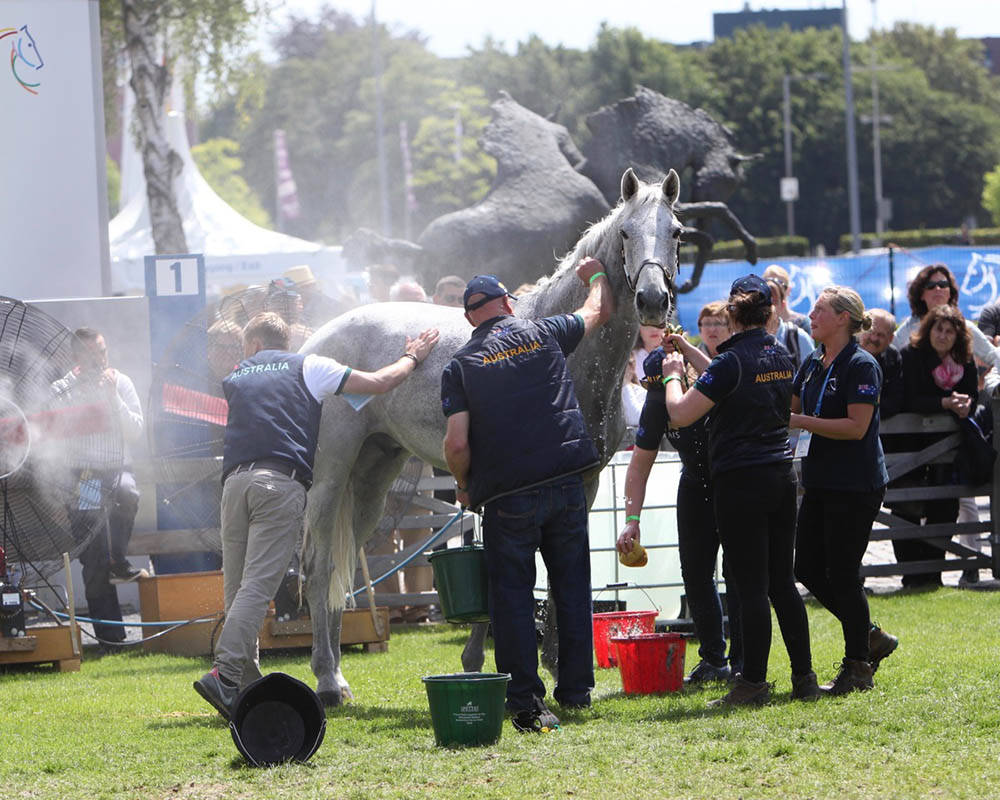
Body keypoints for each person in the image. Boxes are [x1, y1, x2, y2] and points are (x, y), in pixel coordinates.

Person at [194, 311, 439, 719]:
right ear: (285, 341)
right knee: (258, 587)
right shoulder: (309, 365)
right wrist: (413, 357)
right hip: (279, 484)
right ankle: (225, 672)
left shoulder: (238, 372)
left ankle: (244, 686)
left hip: (233, 484)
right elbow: (379, 383)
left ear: (252, 345)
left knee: (236, 587)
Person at [441, 262, 612, 732]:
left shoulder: (461, 366)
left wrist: (462, 483)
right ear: (508, 304)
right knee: (572, 587)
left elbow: (456, 445)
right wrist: (596, 277)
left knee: (512, 598)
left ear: (471, 317)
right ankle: (576, 690)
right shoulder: (545, 332)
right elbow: (597, 312)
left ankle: (524, 698)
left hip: (508, 496)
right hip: (565, 483)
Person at [659, 274, 817, 706]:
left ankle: (752, 683)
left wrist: (673, 374)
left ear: (731, 315)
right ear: (769, 313)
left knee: (749, 587)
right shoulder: (781, 354)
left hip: (740, 481)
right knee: (782, 583)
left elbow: (680, 415)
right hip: (781, 477)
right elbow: (730, 381)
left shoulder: (732, 362)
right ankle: (804, 678)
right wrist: (691, 352)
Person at [616, 334, 743, 684]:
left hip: (731, 481)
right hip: (695, 483)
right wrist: (631, 520)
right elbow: (638, 466)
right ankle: (713, 659)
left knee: (737, 573)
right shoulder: (657, 402)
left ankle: (744, 661)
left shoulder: (707, 384)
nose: (657, 392)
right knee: (696, 573)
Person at [789, 287, 897, 695]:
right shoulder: (814, 361)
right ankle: (869, 634)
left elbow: (856, 427)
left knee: (842, 573)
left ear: (843, 319)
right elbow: (792, 406)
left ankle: (858, 668)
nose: (811, 315)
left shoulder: (861, 364)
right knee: (806, 569)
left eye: (818, 310)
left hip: (855, 485)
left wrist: (800, 421)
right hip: (819, 481)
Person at [895, 265, 995, 581]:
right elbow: (905, 393)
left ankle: (946, 570)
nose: (943, 335)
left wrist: (968, 402)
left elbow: (986, 367)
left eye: (944, 284)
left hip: (951, 445)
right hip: (910, 447)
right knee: (906, 507)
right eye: (931, 284)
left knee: (949, 505)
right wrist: (943, 403)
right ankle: (912, 574)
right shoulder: (908, 346)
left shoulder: (965, 348)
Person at [51, 328, 146, 649]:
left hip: (117, 469)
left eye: (102, 353)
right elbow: (52, 442)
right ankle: (111, 638)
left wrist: (113, 399)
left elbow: (135, 432)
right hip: (85, 477)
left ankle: (118, 558)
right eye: (91, 355)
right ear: (75, 358)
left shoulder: (122, 383)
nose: (99, 361)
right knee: (93, 557)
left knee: (127, 493)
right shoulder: (63, 389)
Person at [859, 308, 904, 418]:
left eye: (880, 335)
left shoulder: (893, 357)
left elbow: (894, 401)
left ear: (890, 339)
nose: (874, 338)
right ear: (860, 329)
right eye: (870, 331)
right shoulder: (845, 351)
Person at [765, 277, 815, 370]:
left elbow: (812, 375)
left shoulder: (798, 337)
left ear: (783, 304)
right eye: (765, 302)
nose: (769, 307)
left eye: (774, 302)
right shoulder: (750, 339)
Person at [622, 325, 666, 427]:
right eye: (647, 325)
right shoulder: (628, 359)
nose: (654, 329)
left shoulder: (676, 355)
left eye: (658, 325)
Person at [763, 264, 810, 334]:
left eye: (779, 285)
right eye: (768, 286)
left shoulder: (802, 323)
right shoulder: (757, 324)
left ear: (788, 290)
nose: (774, 290)